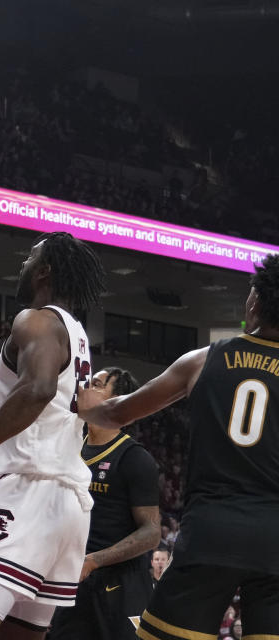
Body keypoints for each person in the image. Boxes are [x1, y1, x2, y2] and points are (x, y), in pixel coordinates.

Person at [75, 254, 279, 639]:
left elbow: (119, 413)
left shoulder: (204, 360)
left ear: (254, 302)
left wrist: (90, 408)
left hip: (212, 533)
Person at [0, 232, 106, 639]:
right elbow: (51, 409)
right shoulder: (77, 333)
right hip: (70, 508)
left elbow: (39, 389)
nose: (22, 264)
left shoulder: (36, 319)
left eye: (30, 257)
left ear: (44, 270)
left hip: (29, 497)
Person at [47, 368, 161, 640]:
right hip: (73, 579)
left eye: (96, 385)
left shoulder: (135, 458)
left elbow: (152, 533)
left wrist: (94, 560)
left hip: (121, 582)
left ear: (117, 401)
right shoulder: (68, 448)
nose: (84, 388)